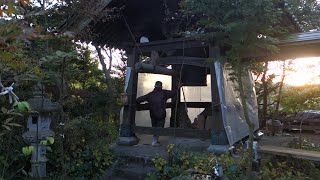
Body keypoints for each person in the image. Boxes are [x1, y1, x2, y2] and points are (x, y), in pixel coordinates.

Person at [136, 81, 179, 146]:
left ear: (155, 86)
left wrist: (136, 105)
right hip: (161, 114)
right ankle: (155, 141)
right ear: (161, 86)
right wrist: (178, 87)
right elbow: (174, 93)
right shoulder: (164, 93)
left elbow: (139, 99)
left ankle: (155, 141)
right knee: (159, 128)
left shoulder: (150, 95)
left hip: (153, 114)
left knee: (154, 127)